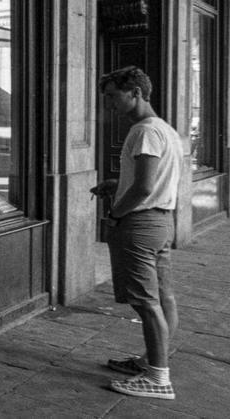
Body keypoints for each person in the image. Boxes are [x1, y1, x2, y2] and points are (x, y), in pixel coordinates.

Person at [92, 66, 183, 401]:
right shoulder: (165, 130)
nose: (109, 104)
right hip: (162, 221)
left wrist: (115, 213)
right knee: (163, 297)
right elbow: (155, 181)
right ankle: (151, 362)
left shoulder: (144, 131)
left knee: (146, 303)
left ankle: (158, 379)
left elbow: (145, 187)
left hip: (141, 224)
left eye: (113, 96)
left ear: (137, 93)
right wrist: (118, 185)